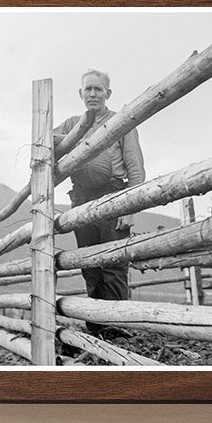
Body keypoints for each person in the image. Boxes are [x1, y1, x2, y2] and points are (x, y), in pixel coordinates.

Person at [53, 69, 145, 303]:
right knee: (89, 264)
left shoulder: (122, 122)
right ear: (80, 93)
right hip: (81, 198)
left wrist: (130, 208)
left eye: (98, 89)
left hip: (113, 195)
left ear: (108, 93)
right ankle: (96, 326)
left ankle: (115, 327)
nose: (92, 94)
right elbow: (45, 144)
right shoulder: (72, 124)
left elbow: (135, 169)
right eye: (88, 89)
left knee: (113, 263)